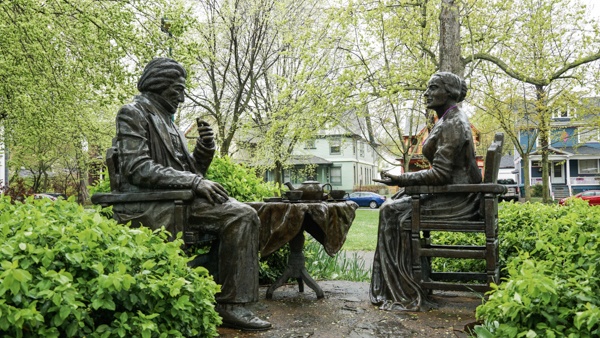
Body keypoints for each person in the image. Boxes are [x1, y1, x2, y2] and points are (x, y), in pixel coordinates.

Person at [112, 57, 271, 331]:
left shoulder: (170, 123)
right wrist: (195, 182)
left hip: (180, 199)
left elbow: (189, 170)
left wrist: (205, 150)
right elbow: (137, 168)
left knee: (249, 213)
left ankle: (215, 290)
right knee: (242, 217)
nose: (183, 98)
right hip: (155, 204)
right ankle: (231, 305)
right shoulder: (134, 113)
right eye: (177, 91)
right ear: (158, 86)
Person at [370, 72, 482, 311]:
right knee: (393, 205)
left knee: (391, 211)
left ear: (449, 92)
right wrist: (405, 185)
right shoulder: (446, 119)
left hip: (459, 199)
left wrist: (402, 179)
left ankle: (404, 290)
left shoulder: (454, 123)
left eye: (433, 88)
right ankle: (401, 286)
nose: (426, 93)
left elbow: (440, 174)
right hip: (450, 192)